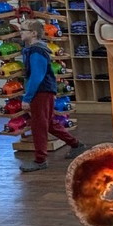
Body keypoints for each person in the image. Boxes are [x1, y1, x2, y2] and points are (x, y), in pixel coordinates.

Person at [19, 19, 85, 173]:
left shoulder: (36, 51)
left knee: (39, 126)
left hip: (40, 92)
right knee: (48, 123)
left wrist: (27, 98)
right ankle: (76, 144)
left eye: (23, 30)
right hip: (44, 91)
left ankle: (40, 160)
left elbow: (37, 76)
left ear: (33, 33)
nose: (20, 32)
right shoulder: (35, 49)